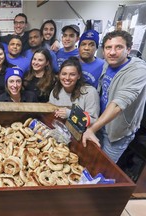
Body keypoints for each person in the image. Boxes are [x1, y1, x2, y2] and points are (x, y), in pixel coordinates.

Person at [82, 30, 146, 163]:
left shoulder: (138, 71)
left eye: (119, 47)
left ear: (128, 49)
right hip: (99, 123)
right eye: (108, 47)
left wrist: (92, 129)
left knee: (103, 167)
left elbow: (118, 103)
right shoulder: (108, 63)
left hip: (117, 133)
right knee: (90, 161)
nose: (112, 52)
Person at [49, 57, 100, 124]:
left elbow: (94, 121)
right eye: (64, 74)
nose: (67, 78)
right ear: (59, 75)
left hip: (82, 133)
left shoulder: (90, 92)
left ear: (78, 76)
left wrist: (71, 114)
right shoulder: (56, 91)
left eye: (72, 74)